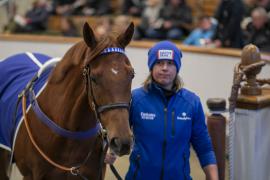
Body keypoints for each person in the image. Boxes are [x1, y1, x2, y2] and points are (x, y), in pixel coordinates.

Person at [123, 41, 218, 179]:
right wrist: (110, 152)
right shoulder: (135, 99)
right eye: (159, 63)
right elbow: (115, 131)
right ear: (151, 67)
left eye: (170, 63)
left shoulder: (192, 102)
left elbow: (204, 147)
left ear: (177, 68)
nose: (165, 68)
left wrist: (213, 177)